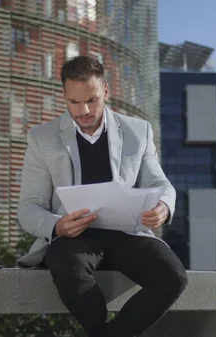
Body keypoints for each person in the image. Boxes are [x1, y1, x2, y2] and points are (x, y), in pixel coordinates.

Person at [16, 55, 187, 337]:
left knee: (174, 277)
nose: (83, 110)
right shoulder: (41, 139)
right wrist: (57, 226)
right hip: (73, 239)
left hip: (127, 236)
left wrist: (164, 207)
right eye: (74, 102)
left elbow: (160, 183)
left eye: (92, 100)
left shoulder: (138, 131)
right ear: (64, 96)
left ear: (106, 91)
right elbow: (29, 208)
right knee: (66, 263)